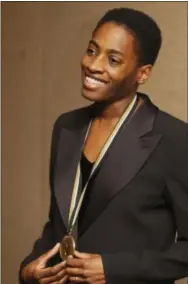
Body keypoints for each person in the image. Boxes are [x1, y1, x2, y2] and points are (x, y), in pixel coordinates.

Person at [19, 7, 188, 284]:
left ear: (142, 73)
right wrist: (28, 270)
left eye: (113, 59)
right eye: (91, 50)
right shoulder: (66, 127)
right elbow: (60, 224)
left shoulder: (174, 138)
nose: (93, 65)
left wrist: (114, 268)